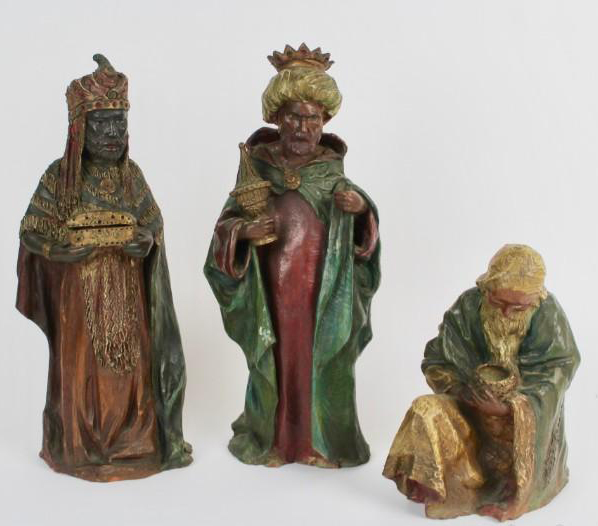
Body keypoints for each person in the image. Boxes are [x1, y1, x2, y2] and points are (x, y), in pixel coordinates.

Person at [17, 54, 192, 481]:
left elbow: (153, 223)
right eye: (102, 124)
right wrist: (57, 252)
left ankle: (135, 442)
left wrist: (146, 241)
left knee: (131, 369)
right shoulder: (60, 178)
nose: (113, 134)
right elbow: (30, 230)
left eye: (119, 123)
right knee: (81, 368)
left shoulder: (132, 176)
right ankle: (80, 446)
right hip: (79, 297)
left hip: (128, 293)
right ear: (79, 128)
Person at [204, 44, 381, 467]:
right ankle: (274, 441)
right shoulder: (256, 170)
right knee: (276, 360)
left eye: (312, 118)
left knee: (321, 360)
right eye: (294, 117)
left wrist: (361, 212)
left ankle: (321, 443)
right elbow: (224, 229)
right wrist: (243, 232)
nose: (302, 128)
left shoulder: (332, 176)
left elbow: (364, 240)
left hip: (323, 292)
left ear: (325, 121)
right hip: (271, 291)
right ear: (277, 118)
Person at [383, 244, 580, 520]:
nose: (507, 313)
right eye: (499, 303)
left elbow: (556, 373)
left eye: (518, 307)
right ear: (486, 289)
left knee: (522, 424)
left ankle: (511, 492)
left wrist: (511, 409)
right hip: (470, 415)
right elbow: (436, 360)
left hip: (521, 427)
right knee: (423, 409)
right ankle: (452, 487)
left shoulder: (548, 315)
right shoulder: (467, 308)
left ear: (536, 300)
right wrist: (462, 391)